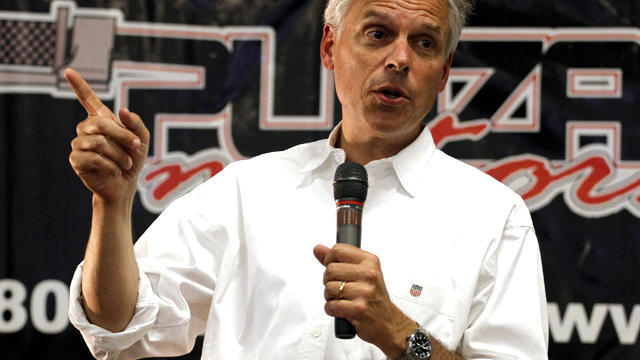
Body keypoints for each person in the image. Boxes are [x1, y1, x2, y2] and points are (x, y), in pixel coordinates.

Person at [67, 0, 549, 359]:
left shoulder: (493, 216)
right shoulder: (245, 192)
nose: (400, 59)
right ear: (329, 47)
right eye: (378, 34)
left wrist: (400, 333)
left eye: (424, 43)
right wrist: (111, 205)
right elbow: (118, 325)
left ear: (443, 72)